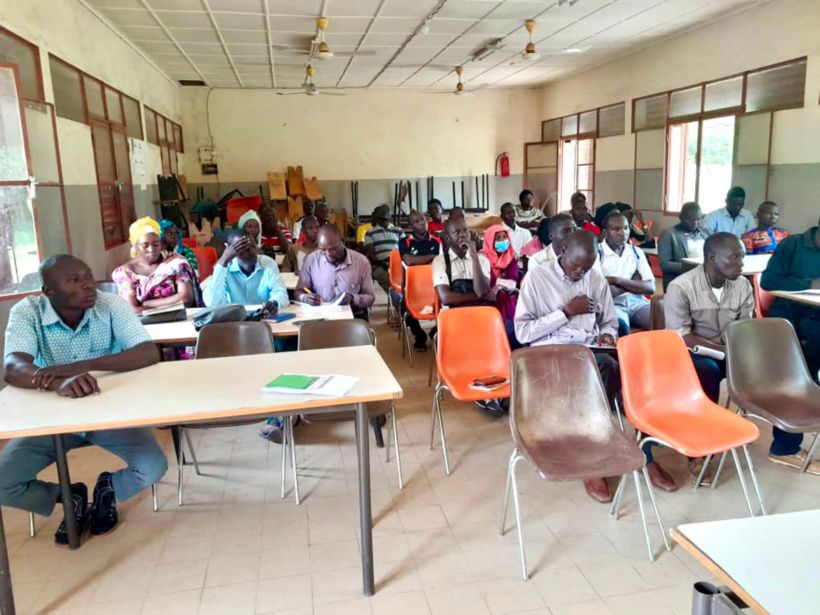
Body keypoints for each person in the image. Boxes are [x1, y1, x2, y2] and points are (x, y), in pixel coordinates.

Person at [1, 255, 167, 545]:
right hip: (53, 420)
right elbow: (13, 366)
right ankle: (70, 496)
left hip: (107, 412)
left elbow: (147, 352)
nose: (88, 285)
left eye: (88, 276)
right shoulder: (27, 312)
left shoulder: (110, 304)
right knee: (3, 481)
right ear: (49, 292)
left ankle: (108, 489)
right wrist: (56, 382)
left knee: (153, 466)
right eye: (74, 281)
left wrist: (76, 369)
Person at [662, 233, 813, 485]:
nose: (742, 262)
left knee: (778, 370)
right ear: (711, 258)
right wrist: (727, 352)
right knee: (706, 372)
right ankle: (700, 450)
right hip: (694, 355)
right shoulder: (681, 287)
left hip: (734, 351)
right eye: (735, 256)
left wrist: (747, 354)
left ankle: (785, 447)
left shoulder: (742, 285)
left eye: (742, 255)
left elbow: (746, 328)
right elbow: (682, 338)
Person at [513, 230, 620, 503]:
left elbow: (609, 321)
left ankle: (600, 440)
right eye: (576, 265)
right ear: (561, 251)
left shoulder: (595, 279)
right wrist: (566, 312)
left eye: (588, 266)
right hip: (548, 352)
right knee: (597, 370)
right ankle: (589, 451)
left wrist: (608, 334)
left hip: (586, 349)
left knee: (615, 364)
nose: (581, 272)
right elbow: (523, 333)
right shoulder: (537, 278)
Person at [761, 217, 820, 391]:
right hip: (790, 312)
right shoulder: (793, 245)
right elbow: (769, 281)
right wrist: (809, 284)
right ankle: (805, 388)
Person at [112, 217, 197, 313]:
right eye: (145, 246)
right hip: (144, 325)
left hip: (178, 319)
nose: (151, 249)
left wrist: (148, 304)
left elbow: (186, 298)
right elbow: (132, 310)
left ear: (161, 244)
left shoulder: (176, 263)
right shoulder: (126, 272)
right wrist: (171, 305)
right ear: (136, 247)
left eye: (156, 244)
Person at [296, 225, 375, 320]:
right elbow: (298, 291)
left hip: (352, 316)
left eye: (333, 249)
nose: (328, 254)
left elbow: (370, 298)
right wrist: (304, 297)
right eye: (323, 250)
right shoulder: (311, 260)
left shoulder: (361, 262)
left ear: (343, 242)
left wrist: (353, 298)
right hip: (321, 317)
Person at [598, 211, 655, 335]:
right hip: (612, 305)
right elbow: (600, 293)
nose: (622, 233)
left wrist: (616, 281)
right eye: (616, 229)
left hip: (638, 302)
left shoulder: (636, 252)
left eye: (626, 228)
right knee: (621, 327)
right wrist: (634, 284)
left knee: (663, 320)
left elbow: (651, 287)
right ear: (605, 233)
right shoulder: (597, 254)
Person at [202, 229, 288, 309]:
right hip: (234, 321)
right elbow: (212, 303)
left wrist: (274, 303)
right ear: (230, 250)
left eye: (253, 247)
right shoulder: (224, 268)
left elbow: (281, 293)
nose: (252, 252)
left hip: (263, 318)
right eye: (245, 249)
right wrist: (224, 260)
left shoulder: (267, 263)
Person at [400, 210, 441, 352]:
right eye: (416, 222)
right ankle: (419, 336)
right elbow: (409, 260)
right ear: (410, 226)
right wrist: (432, 256)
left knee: (449, 307)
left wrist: (424, 260)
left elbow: (441, 261)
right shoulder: (405, 241)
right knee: (404, 307)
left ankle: (435, 331)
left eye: (423, 220)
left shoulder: (437, 241)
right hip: (413, 287)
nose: (421, 224)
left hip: (435, 284)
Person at [658, 202, 711, 290]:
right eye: (691, 220)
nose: (695, 223)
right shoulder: (669, 234)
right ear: (681, 218)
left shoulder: (706, 233)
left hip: (705, 280)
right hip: (681, 281)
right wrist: (693, 268)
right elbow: (665, 265)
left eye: (698, 219)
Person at [482, 224, 520, 322]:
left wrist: (498, 285)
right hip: (486, 295)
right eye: (498, 238)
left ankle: (509, 328)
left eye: (504, 237)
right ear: (490, 241)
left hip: (506, 295)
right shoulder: (482, 258)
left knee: (503, 296)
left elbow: (512, 282)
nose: (502, 240)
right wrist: (499, 284)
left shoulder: (511, 258)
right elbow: (486, 282)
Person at [364, 204, 403, 295]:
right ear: (378, 219)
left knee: (409, 277)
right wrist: (384, 264)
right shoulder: (370, 233)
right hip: (380, 264)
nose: (386, 221)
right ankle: (398, 300)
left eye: (387, 217)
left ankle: (405, 298)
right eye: (383, 218)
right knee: (382, 276)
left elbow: (405, 248)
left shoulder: (398, 230)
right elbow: (371, 254)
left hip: (398, 262)